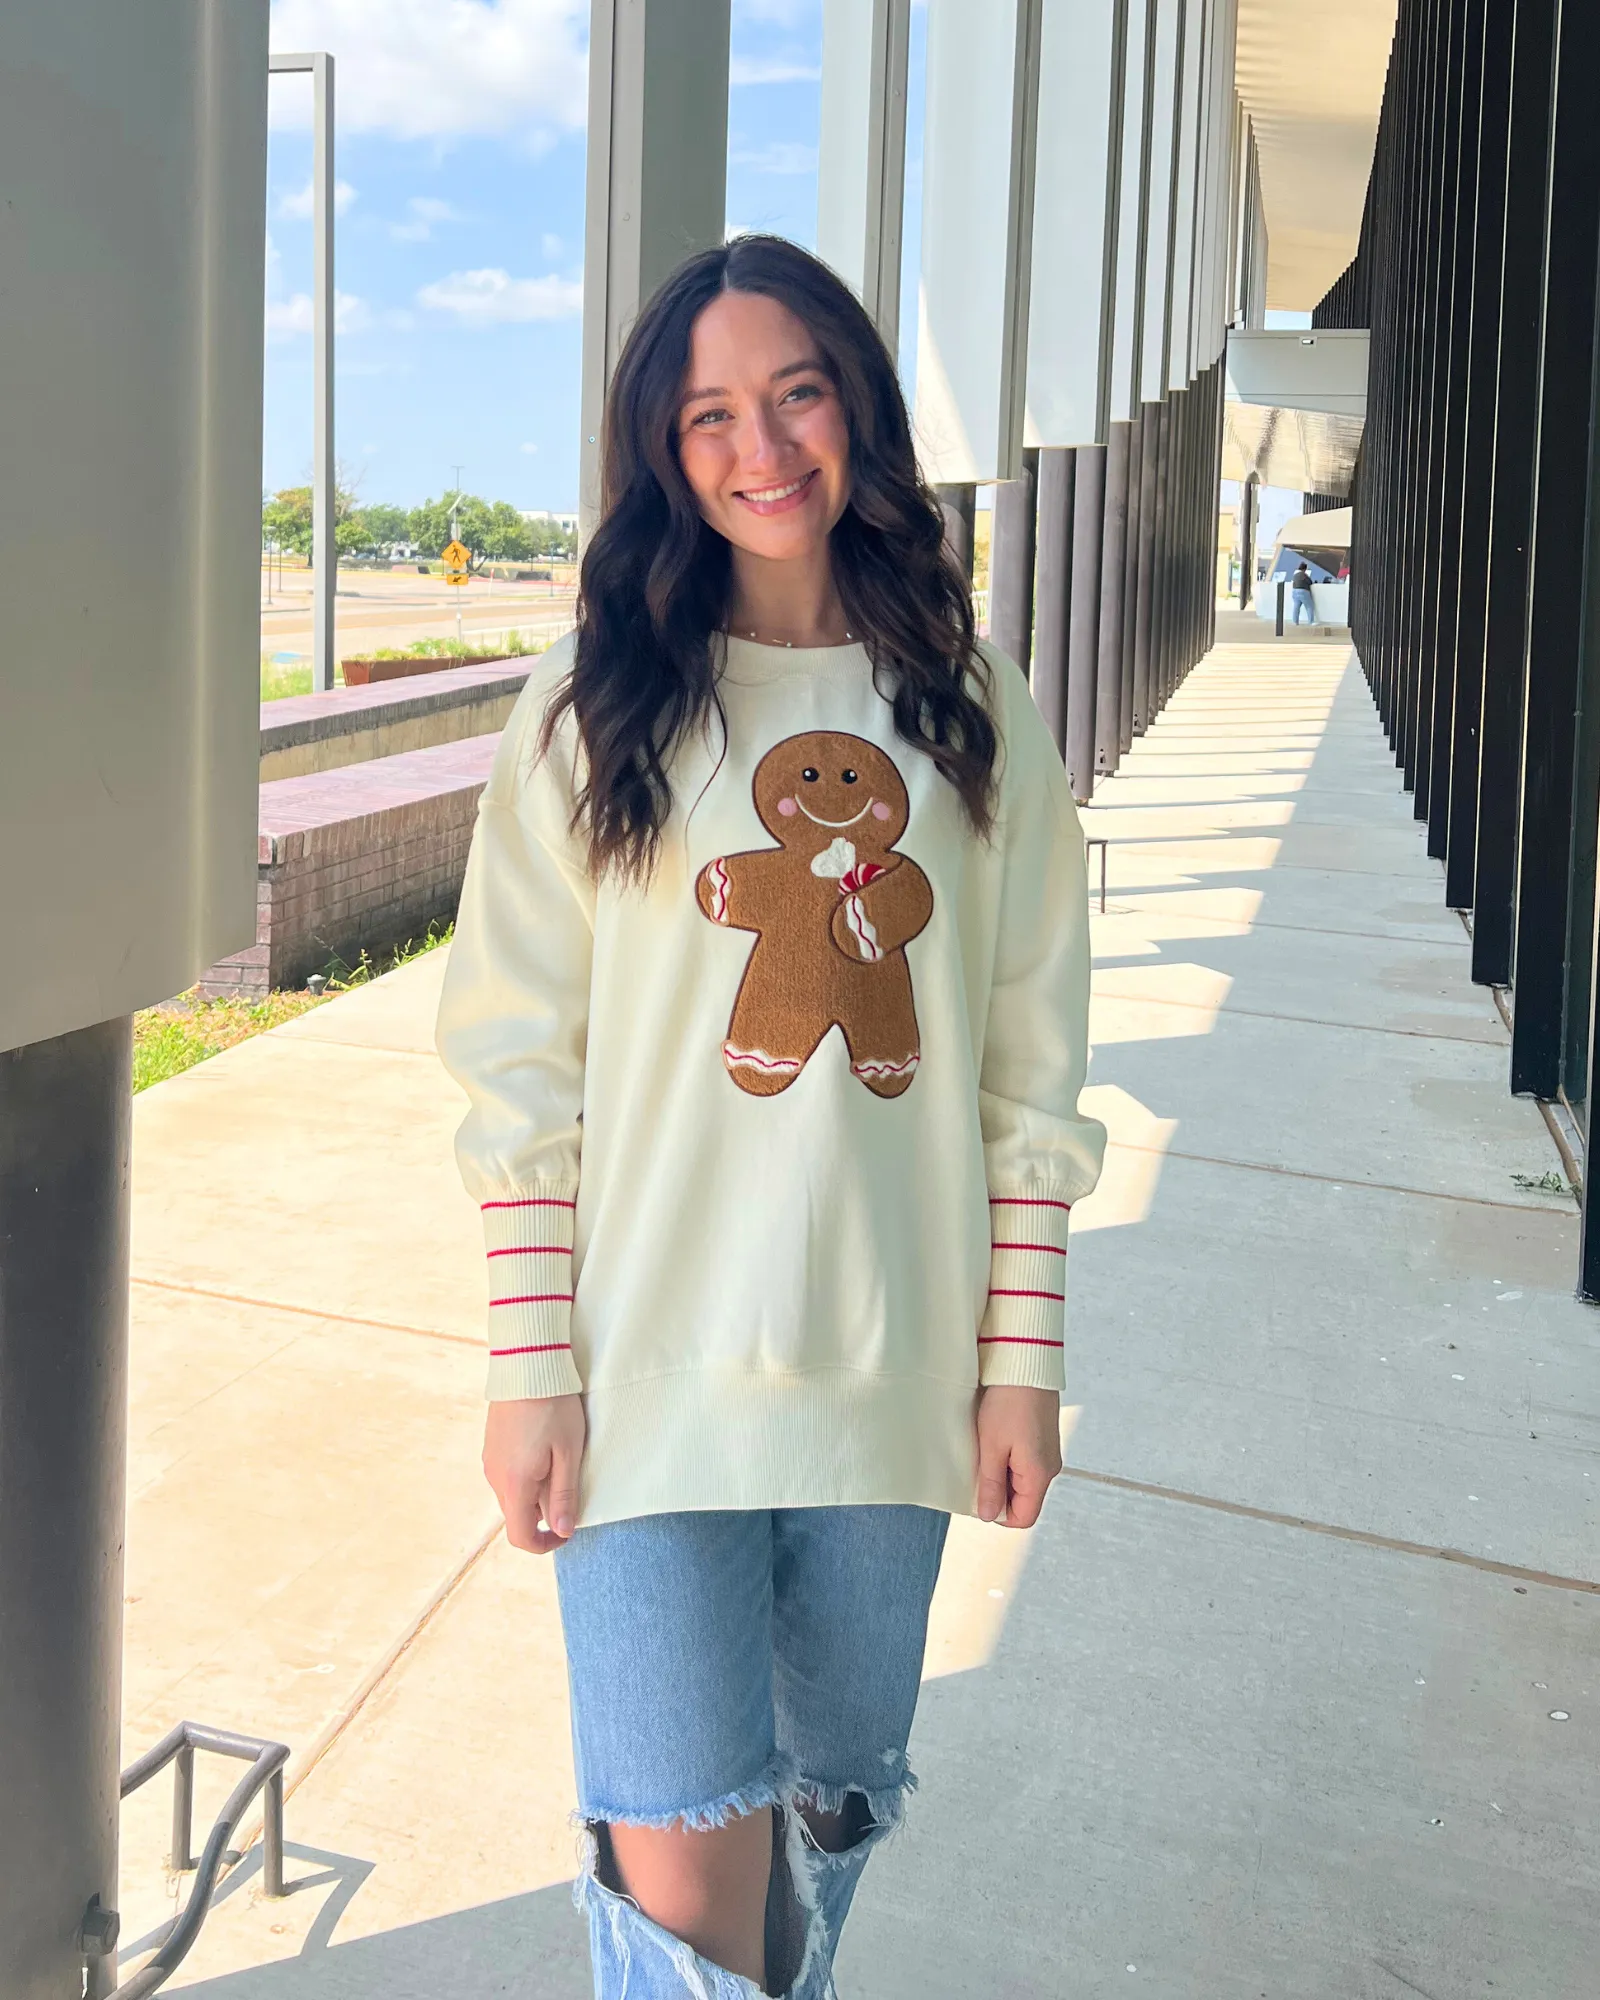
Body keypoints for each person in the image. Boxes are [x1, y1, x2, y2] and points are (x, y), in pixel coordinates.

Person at [435, 234, 1106, 1999]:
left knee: (830, 1821)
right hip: (648, 1390)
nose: (761, 447)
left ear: (856, 406)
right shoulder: (600, 706)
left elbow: (1027, 1055)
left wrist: (1019, 1357)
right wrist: (529, 1374)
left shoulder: (966, 707)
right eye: (708, 413)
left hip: (893, 1390)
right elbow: (519, 1058)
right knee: (676, 1888)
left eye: (795, 391)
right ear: (664, 451)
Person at [1290, 559, 1318, 626]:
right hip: (1303, 591)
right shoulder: (1304, 575)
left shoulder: (1295, 575)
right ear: (1305, 569)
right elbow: (1310, 582)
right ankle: (1311, 622)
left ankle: (1295, 622)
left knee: (1296, 607)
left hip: (1294, 591)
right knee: (1309, 606)